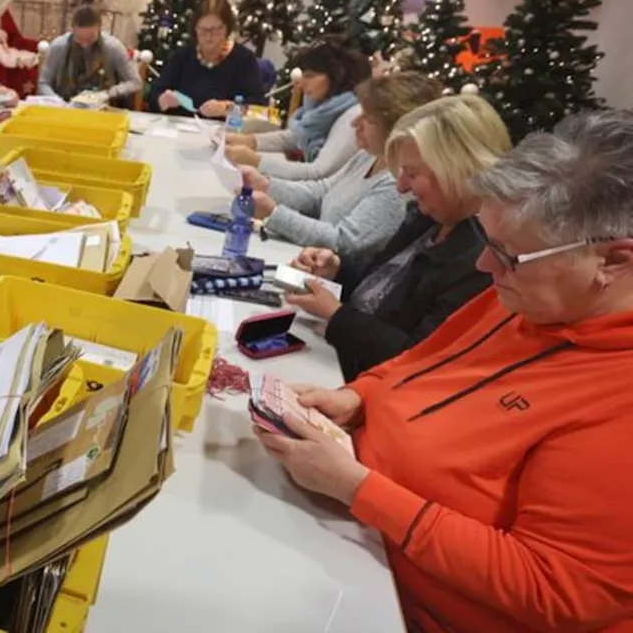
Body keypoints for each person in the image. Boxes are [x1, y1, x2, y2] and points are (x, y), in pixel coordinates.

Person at [256, 109, 633, 632]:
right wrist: (361, 396)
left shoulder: (617, 401)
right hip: (350, 542)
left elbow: (556, 590)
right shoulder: (525, 296)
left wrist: (359, 489)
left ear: (612, 263)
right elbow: (422, 362)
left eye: (507, 254)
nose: (483, 266)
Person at [284, 95, 511, 381]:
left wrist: (337, 316)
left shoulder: (480, 260)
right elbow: (379, 291)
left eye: (412, 174)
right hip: (336, 361)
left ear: (459, 169)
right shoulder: (428, 219)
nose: (402, 187)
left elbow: (420, 358)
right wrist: (336, 269)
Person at [237, 72, 442, 258]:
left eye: (368, 119)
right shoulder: (369, 156)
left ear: (395, 129)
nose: (355, 124)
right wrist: (265, 185)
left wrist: (273, 213)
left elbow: (344, 241)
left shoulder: (397, 185)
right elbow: (321, 192)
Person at [225, 41, 370, 179]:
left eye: (310, 76)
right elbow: (296, 137)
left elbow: (318, 172)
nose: (302, 83)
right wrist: (249, 141)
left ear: (336, 77)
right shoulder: (323, 108)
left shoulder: (351, 117)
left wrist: (256, 161)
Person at [148, 0, 265, 118]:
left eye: (216, 30)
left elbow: (258, 110)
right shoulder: (183, 56)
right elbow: (154, 95)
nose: (209, 37)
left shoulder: (244, 60)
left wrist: (226, 108)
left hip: (225, 134)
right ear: (195, 28)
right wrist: (162, 100)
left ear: (227, 28)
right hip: (181, 131)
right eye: (203, 30)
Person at [37, 0, 141, 107]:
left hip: (104, 110)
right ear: (72, 29)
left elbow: (135, 82)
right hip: (65, 108)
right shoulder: (59, 47)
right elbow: (43, 83)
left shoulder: (113, 47)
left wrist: (108, 93)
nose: (85, 44)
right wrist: (57, 101)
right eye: (80, 39)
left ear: (100, 28)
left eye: (91, 39)